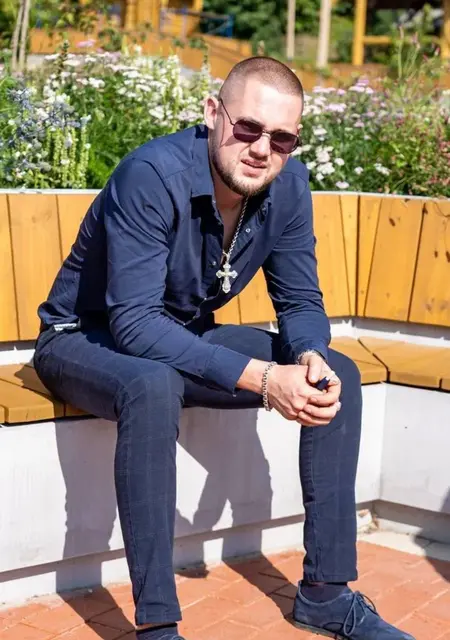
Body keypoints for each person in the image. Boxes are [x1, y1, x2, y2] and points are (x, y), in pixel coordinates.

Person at [34, 56, 415, 640]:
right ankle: (158, 626)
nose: (263, 149)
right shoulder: (151, 175)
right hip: (83, 337)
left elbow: (299, 299)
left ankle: (326, 595)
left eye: (282, 138)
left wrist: (308, 353)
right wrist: (262, 377)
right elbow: (133, 324)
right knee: (151, 383)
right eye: (249, 128)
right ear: (214, 113)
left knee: (335, 372)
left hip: (179, 331)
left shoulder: (288, 185)